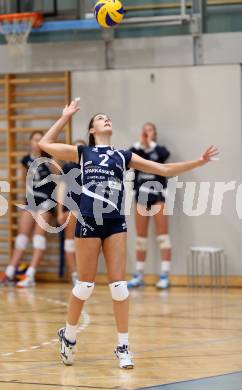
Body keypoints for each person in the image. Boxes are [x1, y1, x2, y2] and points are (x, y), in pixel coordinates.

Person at [38, 100, 218, 369]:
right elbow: (45, 144)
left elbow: (165, 170)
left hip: (115, 222)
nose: (106, 119)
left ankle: (123, 346)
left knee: (119, 287)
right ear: (92, 128)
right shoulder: (83, 151)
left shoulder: (123, 155)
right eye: (100, 118)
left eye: (108, 117)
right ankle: (69, 335)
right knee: (85, 286)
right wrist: (64, 117)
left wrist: (199, 162)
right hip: (88, 220)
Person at [0, 131, 56, 288]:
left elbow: (59, 178)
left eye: (40, 140)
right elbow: (23, 180)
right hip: (31, 200)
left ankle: (30, 275)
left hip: (47, 200)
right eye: (35, 140)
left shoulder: (50, 159)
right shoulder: (25, 160)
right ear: (30, 142)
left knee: (38, 238)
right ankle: (9, 273)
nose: (37, 142)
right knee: (21, 238)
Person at [128, 122, 171, 289]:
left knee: (163, 237)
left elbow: (165, 155)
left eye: (150, 129)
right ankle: (139, 275)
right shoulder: (137, 151)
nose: (146, 132)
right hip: (141, 198)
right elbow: (129, 156)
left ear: (155, 133)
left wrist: (150, 143)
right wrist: (141, 144)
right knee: (140, 239)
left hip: (158, 196)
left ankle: (164, 275)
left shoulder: (159, 150)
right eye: (144, 129)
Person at [57, 139, 86, 286]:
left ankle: (83, 273)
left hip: (88, 210)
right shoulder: (67, 167)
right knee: (70, 243)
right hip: (71, 208)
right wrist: (59, 211)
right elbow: (61, 189)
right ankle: (75, 275)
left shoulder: (89, 167)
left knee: (88, 243)